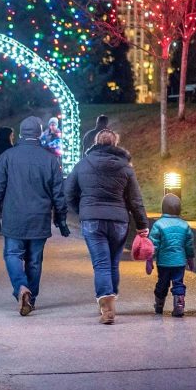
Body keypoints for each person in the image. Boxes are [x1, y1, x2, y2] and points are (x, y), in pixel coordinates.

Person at [0, 117, 66, 316]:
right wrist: (60, 218)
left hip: (14, 216)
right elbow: (58, 193)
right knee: (34, 260)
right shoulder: (50, 159)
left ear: (20, 134)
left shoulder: (7, 157)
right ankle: (32, 298)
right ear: (39, 133)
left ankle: (21, 288)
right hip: (40, 217)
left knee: (12, 254)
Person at [64, 129, 148, 325]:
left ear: (96, 142)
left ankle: (106, 304)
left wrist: (83, 211)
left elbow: (68, 192)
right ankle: (111, 297)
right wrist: (142, 225)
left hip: (92, 220)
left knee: (101, 263)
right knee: (112, 262)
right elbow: (135, 200)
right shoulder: (126, 167)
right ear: (115, 144)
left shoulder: (83, 164)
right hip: (118, 220)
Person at [148, 194, 195, 318]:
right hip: (179, 262)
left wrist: (149, 260)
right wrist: (190, 259)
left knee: (162, 283)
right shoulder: (185, 225)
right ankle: (179, 305)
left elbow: (153, 245)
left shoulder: (158, 225)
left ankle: (159, 305)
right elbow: (189, 245)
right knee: (178, 282)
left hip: (163, 262)